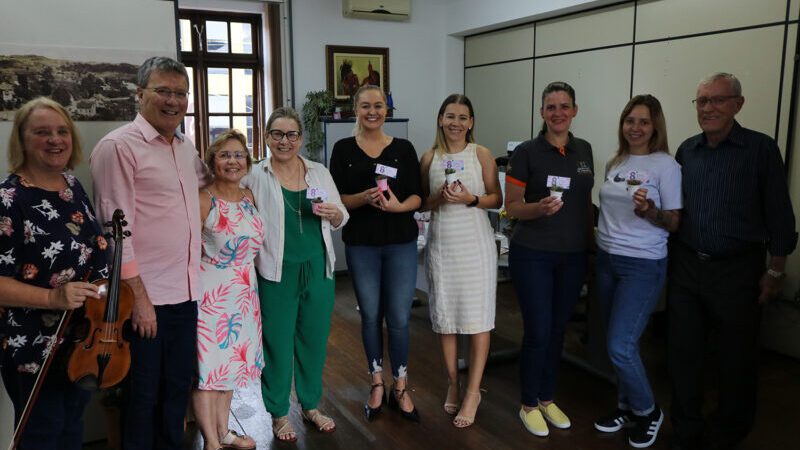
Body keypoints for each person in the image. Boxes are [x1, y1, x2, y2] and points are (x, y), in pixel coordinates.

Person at [668, 73, 797, 450]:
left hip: (738, 269)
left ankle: (728, 431)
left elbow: (780, 215)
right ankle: (686, 429)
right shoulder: (686, 151)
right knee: (684, 354)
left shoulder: (760, 149)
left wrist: (775, 270)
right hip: (688, 266)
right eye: (702, 101)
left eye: (718, 100)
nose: (708, 108)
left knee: (735, 359)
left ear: (738, 104)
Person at [89, 56, 211, 449]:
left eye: (180, 93)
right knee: (142, 398)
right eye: (163, 91)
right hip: (146, 299)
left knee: (176, 391)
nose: (173, 101)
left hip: (186, 291)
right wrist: (139, 299)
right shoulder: (119, 147)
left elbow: (208, 185)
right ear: (140, 94)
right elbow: (113, 233)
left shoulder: (183, 144)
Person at [0, 97, 109, 448]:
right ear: (22, 139)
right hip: (33, 346)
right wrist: (51, 297)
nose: (55, 139)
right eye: (42, 132)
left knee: (70, 428)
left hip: (79, 340)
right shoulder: (8, 199)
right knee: (41, 434)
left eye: (62, 131)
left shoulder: (72, 187)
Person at [241, 107, 347, 442]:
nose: (284, 141)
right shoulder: (255, 174)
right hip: (276, 270)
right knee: (277, 343)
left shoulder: (318, 172)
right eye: (277, 134)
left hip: (318, 267)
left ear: (300, 138)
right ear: (267, 136)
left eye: (291, 135)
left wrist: (334, 214)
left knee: (314, 340)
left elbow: (342, 213)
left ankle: (311, 404)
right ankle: (277, 412)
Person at [505, 81, 594, 437]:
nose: (558, 113)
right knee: (539, 331)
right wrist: (538, 208)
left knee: (558, 330)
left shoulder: (584, 150)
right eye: (551, 107)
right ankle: (528, 403)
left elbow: (586, 205)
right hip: (533, 255)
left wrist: (590, 249)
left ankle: (546, 396)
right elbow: (511, 208)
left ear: (574, 110)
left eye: (564, 106)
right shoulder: (527, 152)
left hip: (572, 257)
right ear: (542, 112)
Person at [329, 85, 423, 423]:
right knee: (370, 316)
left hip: (400, 242)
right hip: (361, 244)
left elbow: (418, 197)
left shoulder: (404, 149)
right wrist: (362, 199)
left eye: (379, 105)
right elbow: (336, 199)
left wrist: (398, 207)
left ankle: (401, 384)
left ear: (387, 110)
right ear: (355, 109)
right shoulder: (342, 149)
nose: (373, 111)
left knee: (398, 318)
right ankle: (377, 383)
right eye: (366, 105)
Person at [592, 95, 682, 448]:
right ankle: (627, 406)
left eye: (644, 121)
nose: (636, 127)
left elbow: (674, 222)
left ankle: (649, 410)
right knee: (621, 342)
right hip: (607, 260)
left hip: (642, 264)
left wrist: (650, 212)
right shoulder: (616, 161)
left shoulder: (666, 166)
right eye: (630, 120)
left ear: (655, 126)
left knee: (621, 344)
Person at [419, 94, 501, 428]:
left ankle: (473, 391)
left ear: (471, 122)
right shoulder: (429, 158)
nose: (456, 122)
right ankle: (453, 381)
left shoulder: (481, 154)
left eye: (463, 117)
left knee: (478, 318)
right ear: (440, 119)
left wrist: (471, 199)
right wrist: (438, 197)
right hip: (443, 246)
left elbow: (496, 198)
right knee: (446, 317)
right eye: (450, 116)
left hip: (475, 245)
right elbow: (421, 203)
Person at [191, 130, 261, 450]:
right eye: (225, 155)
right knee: (209, 372)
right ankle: (211, 441)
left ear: (247, 160)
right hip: (211, 296)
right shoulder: (203, 198)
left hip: (245, 292)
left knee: (230, 366)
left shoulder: (248, 196)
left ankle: (224, 432)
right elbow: (187, 250)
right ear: (212, 162)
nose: (233, 161)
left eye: (238, 155)